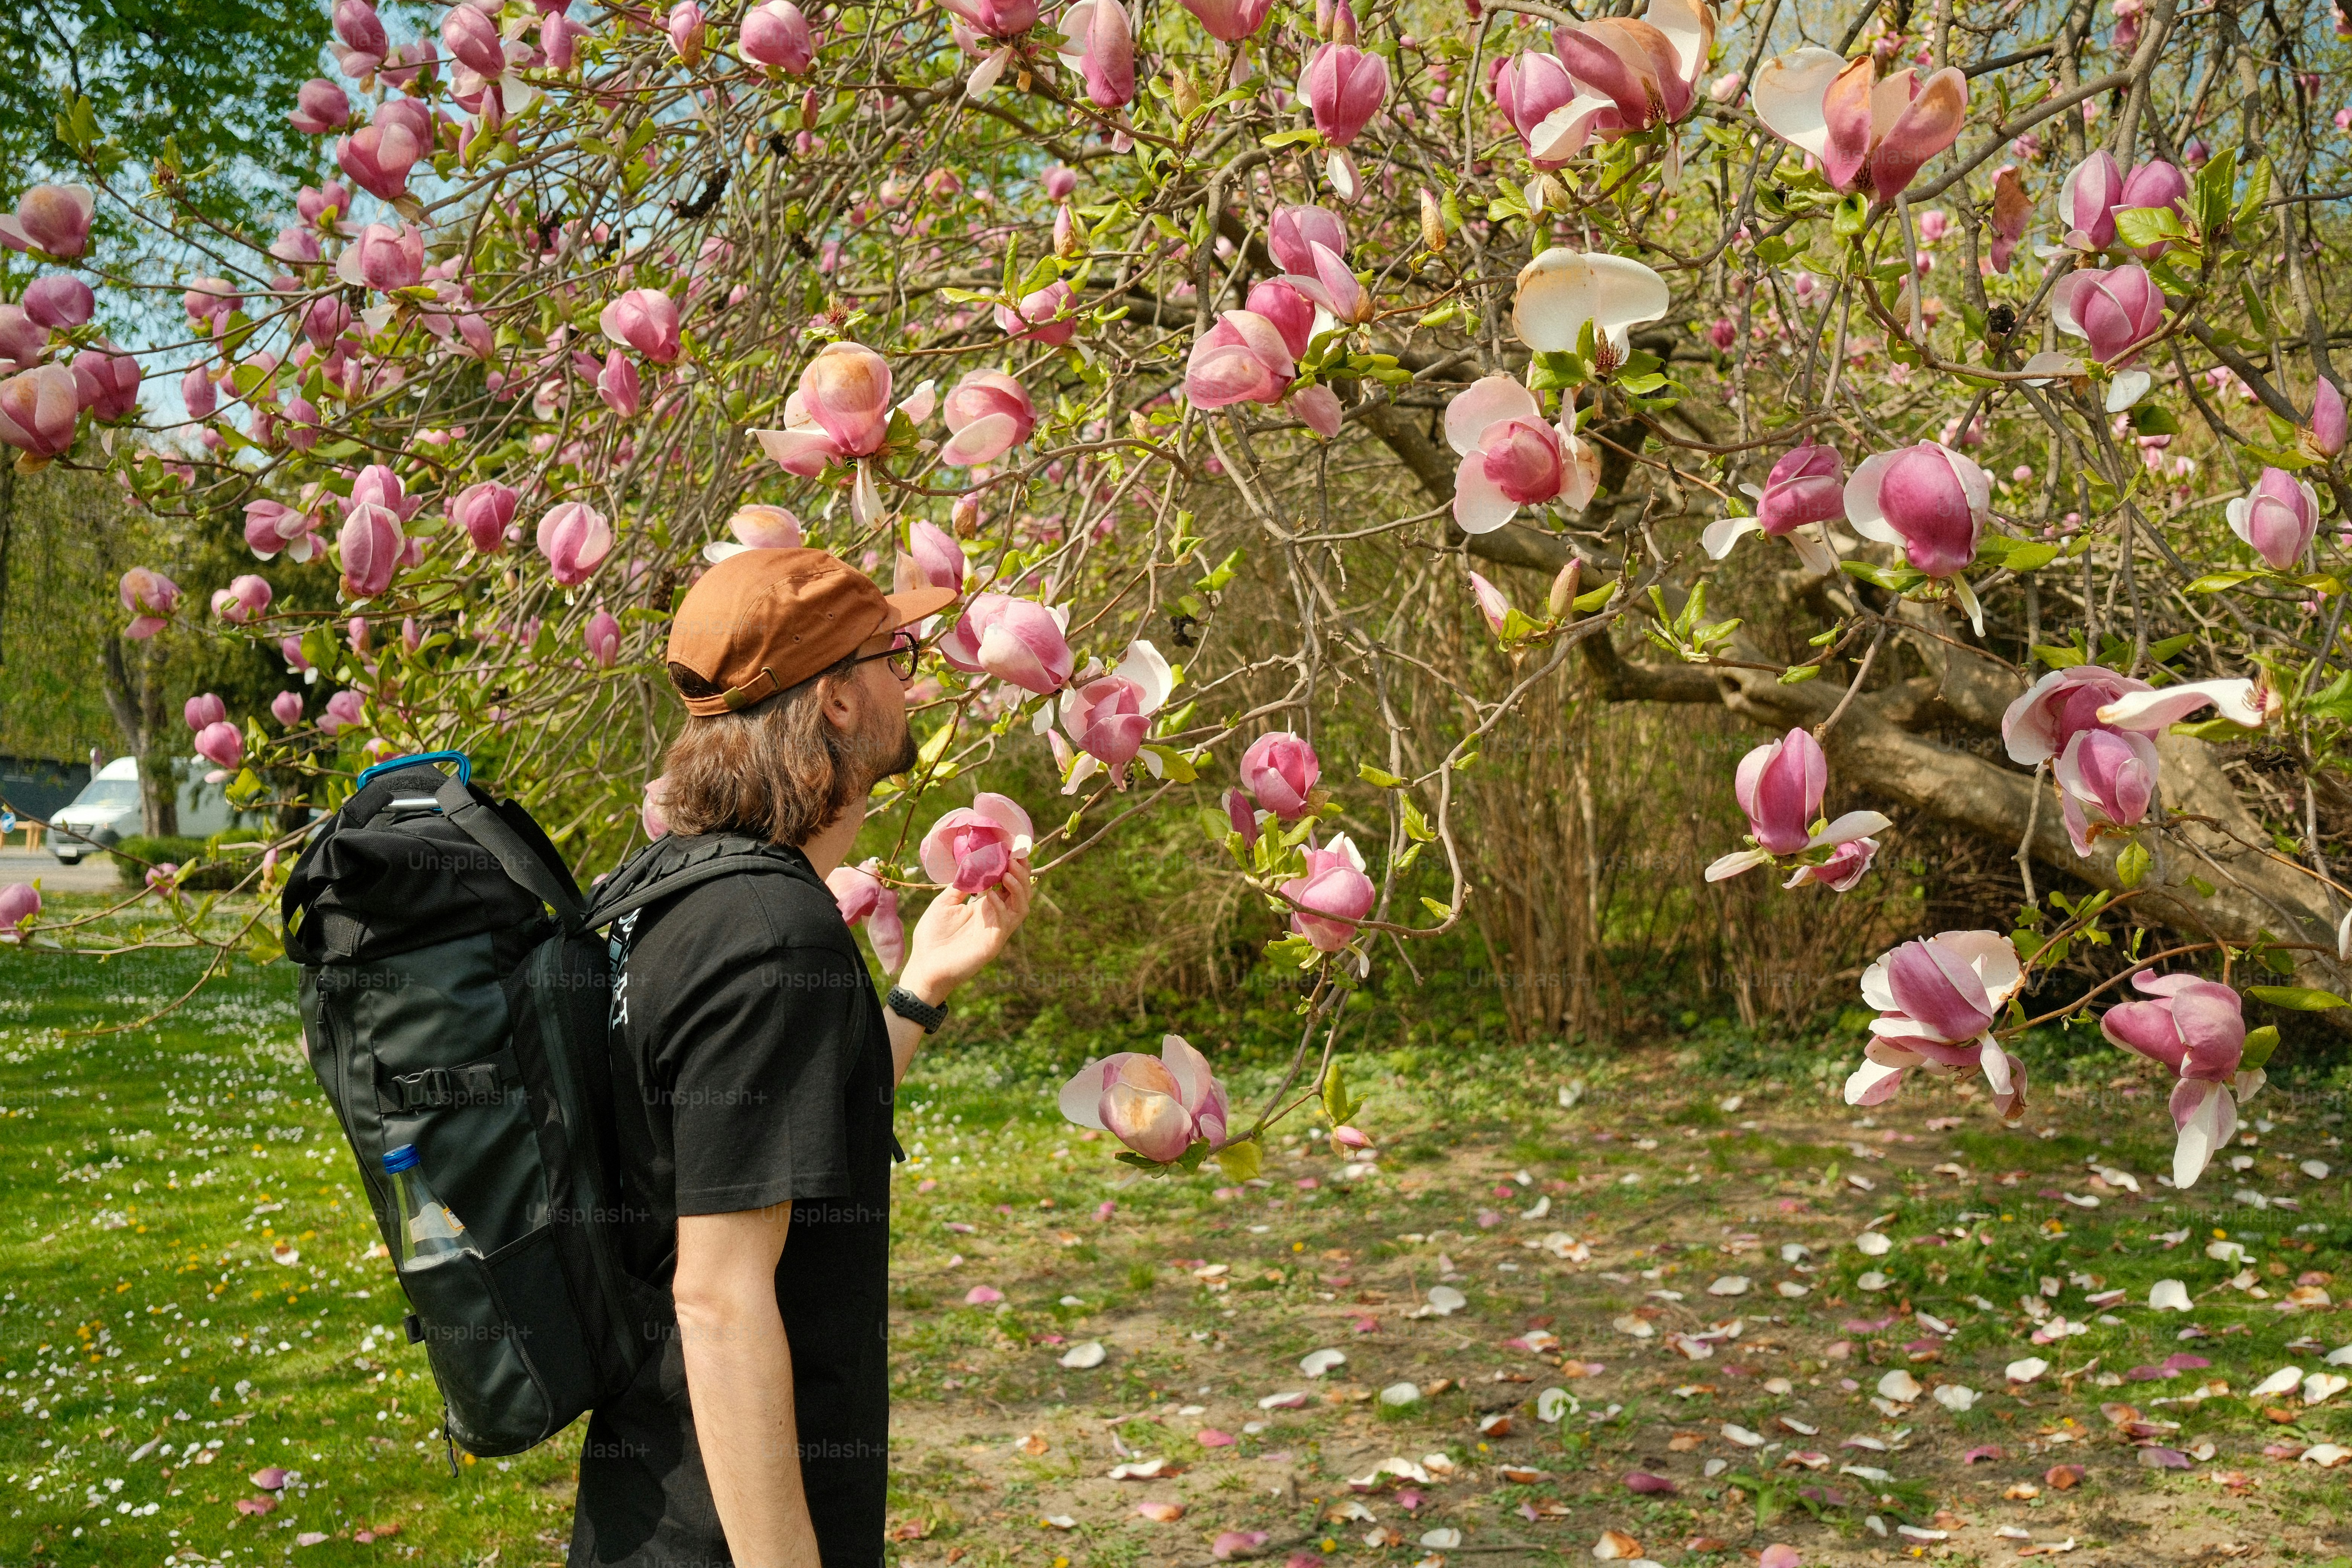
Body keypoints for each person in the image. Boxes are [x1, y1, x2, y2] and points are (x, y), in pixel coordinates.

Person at [570, 546, 1032, 1568]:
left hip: (648, 1501)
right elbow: (719, 1297)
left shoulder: (668, 894)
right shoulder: (773, 936)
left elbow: (763, 1141)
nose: (910, 681)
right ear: (834, 701)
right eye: (891, 657)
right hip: (731, 1534)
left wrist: (921, 993)